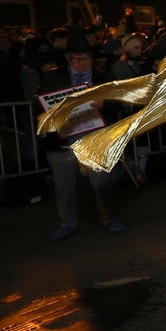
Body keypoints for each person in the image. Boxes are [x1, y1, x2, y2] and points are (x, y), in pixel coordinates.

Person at [37, 33, 125, 241]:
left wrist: (105, 104)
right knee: (64, 186)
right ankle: (67, 224)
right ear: (68, 58)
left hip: (94, 139)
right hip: (62, 140)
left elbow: (118, 101)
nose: (81, 63)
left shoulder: (103, 77)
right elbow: (40, 107)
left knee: (101, 182)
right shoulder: (52, 78)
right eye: (77, 59)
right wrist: (56, 125)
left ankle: (109, 218)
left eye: (86, 58)